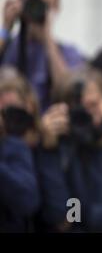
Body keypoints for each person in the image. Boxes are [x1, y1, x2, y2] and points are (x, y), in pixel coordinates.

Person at [34, 67, 102, 232]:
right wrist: (47, 150)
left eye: (93, 105)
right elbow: (60, 218)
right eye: (79, 110)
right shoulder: (60, 149)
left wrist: (84, 213)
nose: (88, 115)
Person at [0, 0, 85, 111]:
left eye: (44, 4)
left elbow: (67, 92)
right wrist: (5, 27)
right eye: (31, 1)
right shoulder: (7, 45)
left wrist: (47, 36)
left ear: (56, 7)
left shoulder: (67, 53)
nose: (36, 9)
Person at [0, 67, 41, 232]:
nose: (10, 122)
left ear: (30, 107)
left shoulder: (47, 145)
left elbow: (66, 213)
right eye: (2, 114)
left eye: (14, 112)